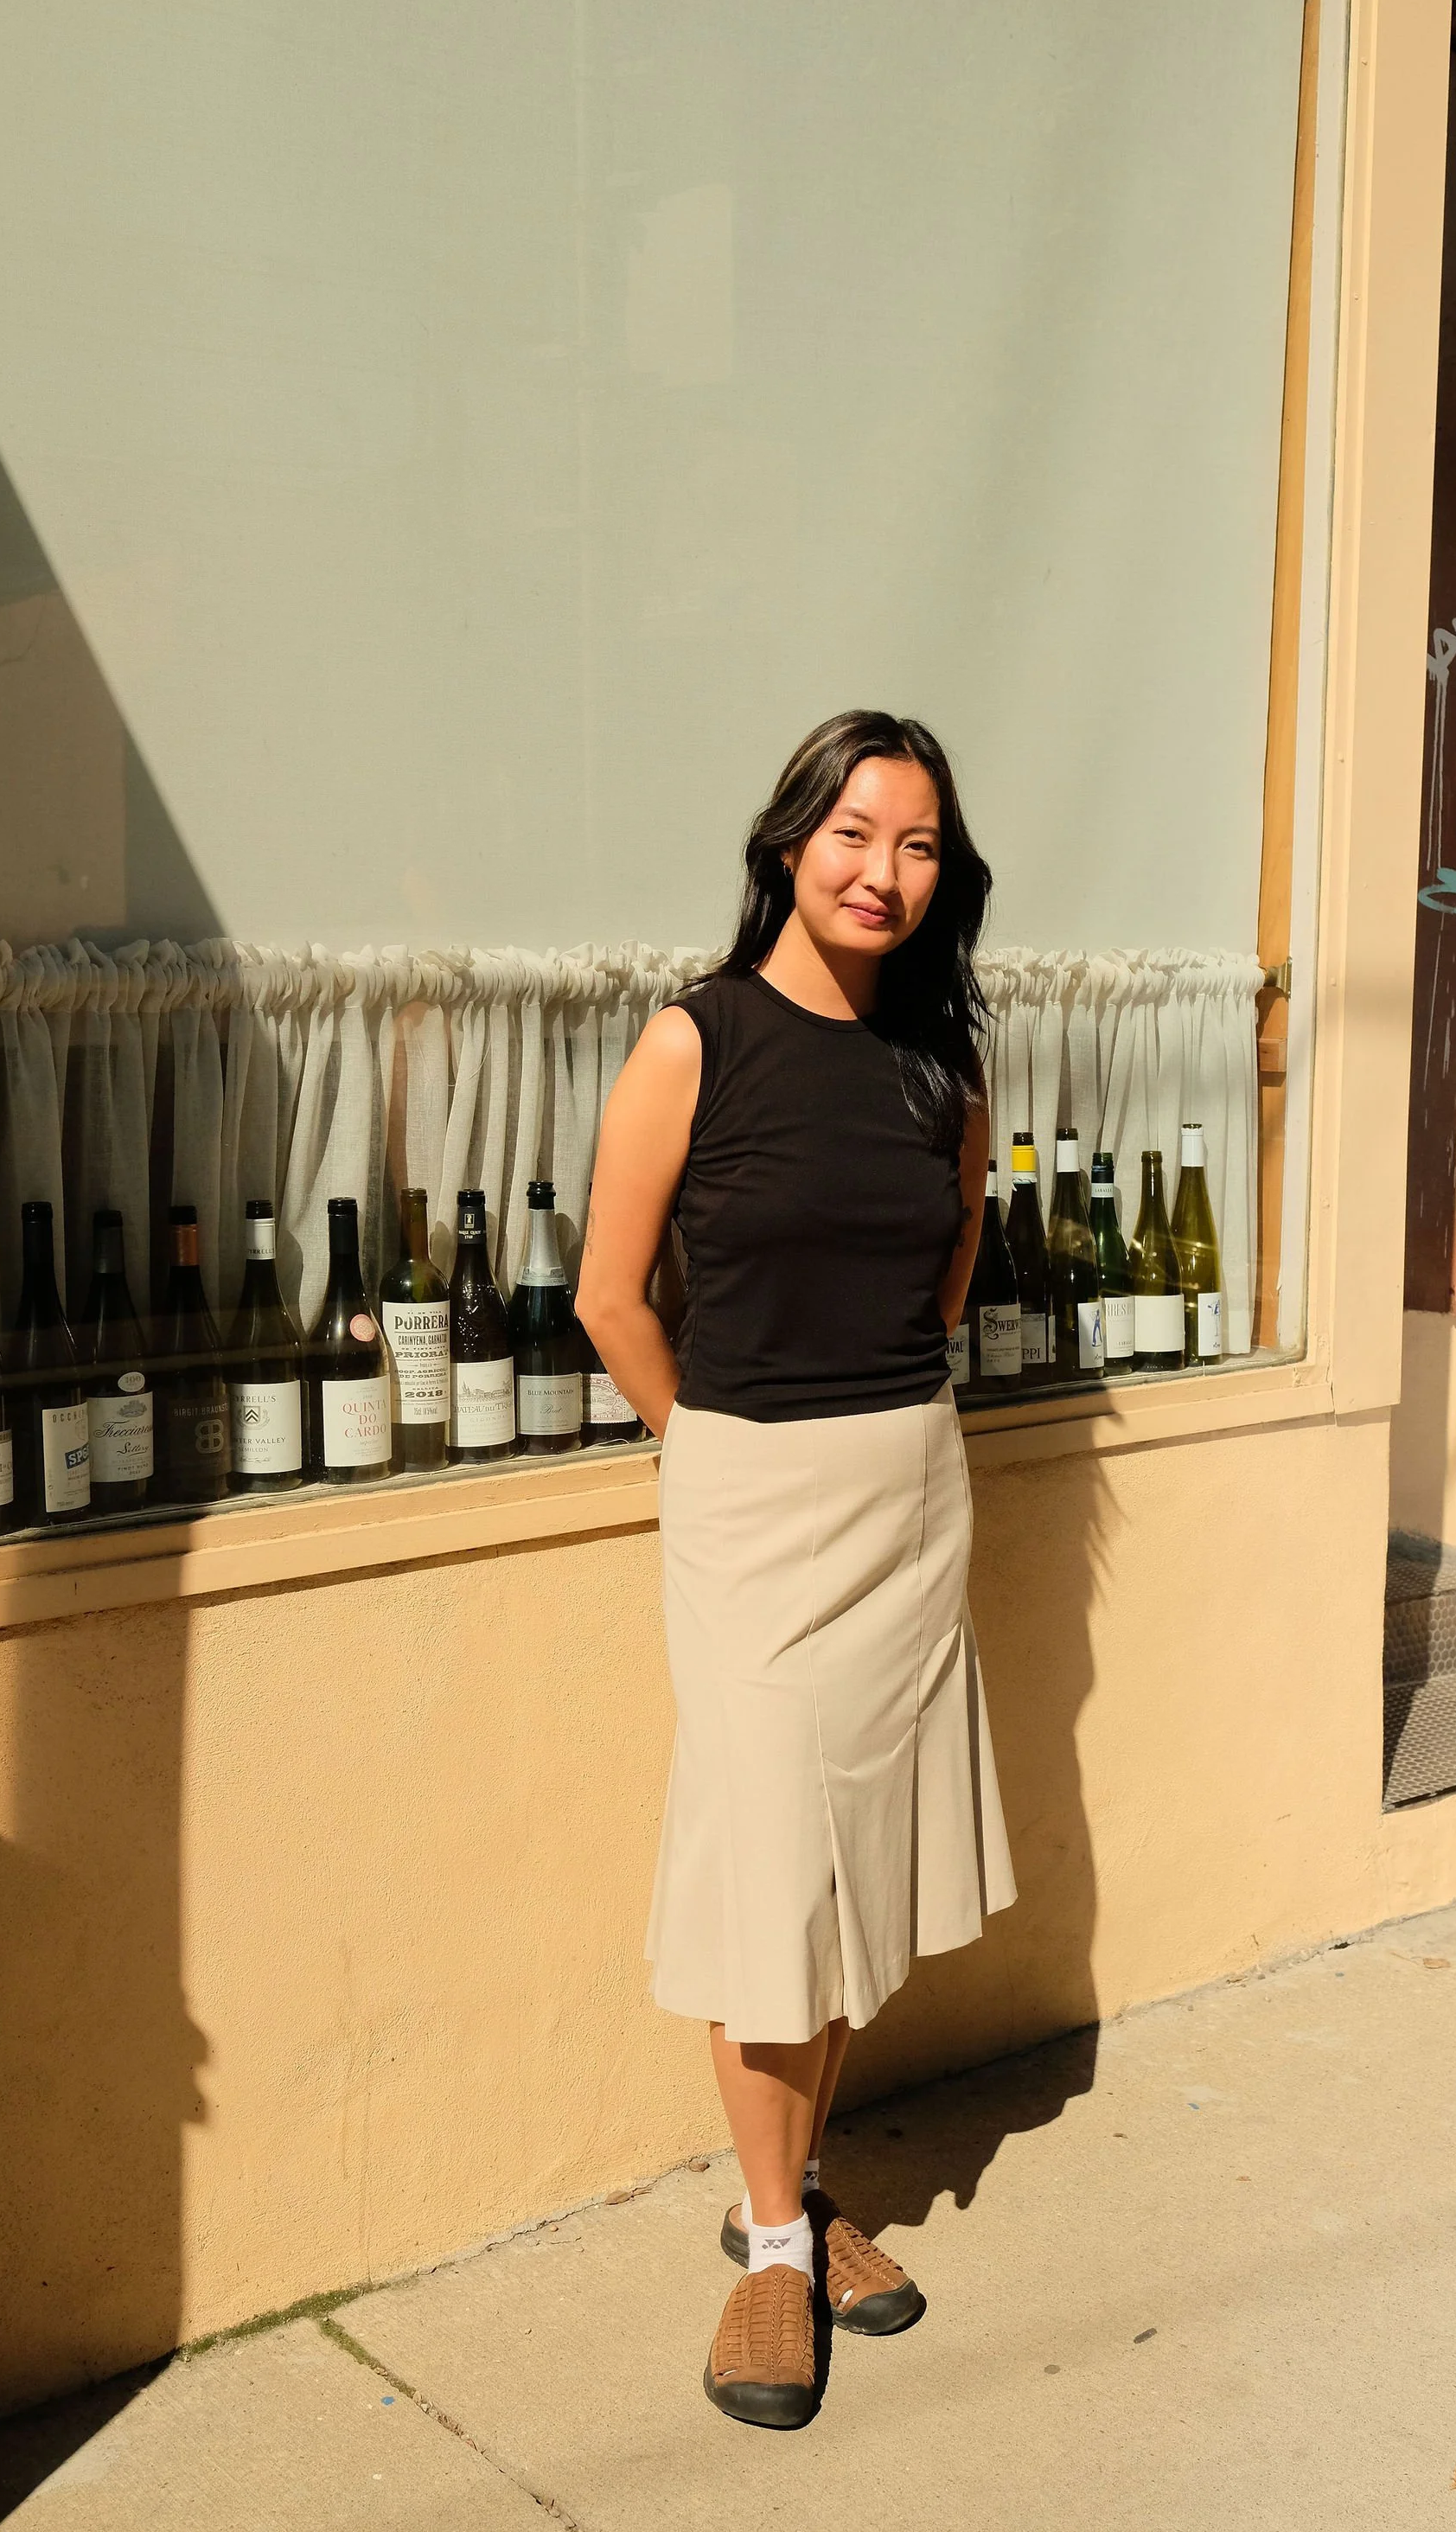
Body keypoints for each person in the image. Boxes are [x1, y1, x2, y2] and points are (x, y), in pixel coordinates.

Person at [576, 709, 1016, 2431]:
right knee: (770, 1879)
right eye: (852, 834)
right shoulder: (694, 1042)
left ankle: (801, 2195)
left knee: (847, 1882)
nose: (881, 872)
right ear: (785, 846)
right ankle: (772, 2253)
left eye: (915, 846)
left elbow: (955, 1259)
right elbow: (612, 1293)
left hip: (908, 1487)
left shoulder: (945, 1070)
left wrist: (870, 1415)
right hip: (747, 1497)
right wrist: (708, 1449)